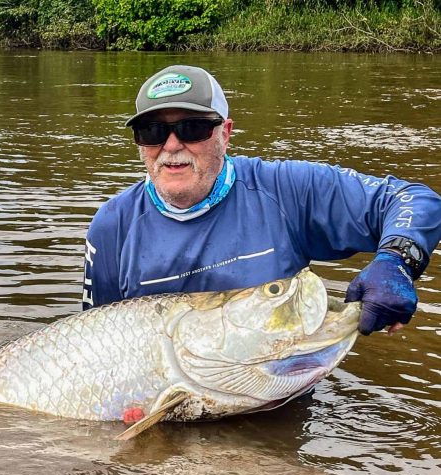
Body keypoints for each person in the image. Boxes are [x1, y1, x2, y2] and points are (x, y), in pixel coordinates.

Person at [82, 65, 441, 336]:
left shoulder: (286, 190)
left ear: (225, 133)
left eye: (193, 128)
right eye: (153, 132)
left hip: (275, 394)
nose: (172, 146)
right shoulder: (112, 228)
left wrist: (397, 261)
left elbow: (410, 198)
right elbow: (97, 339)